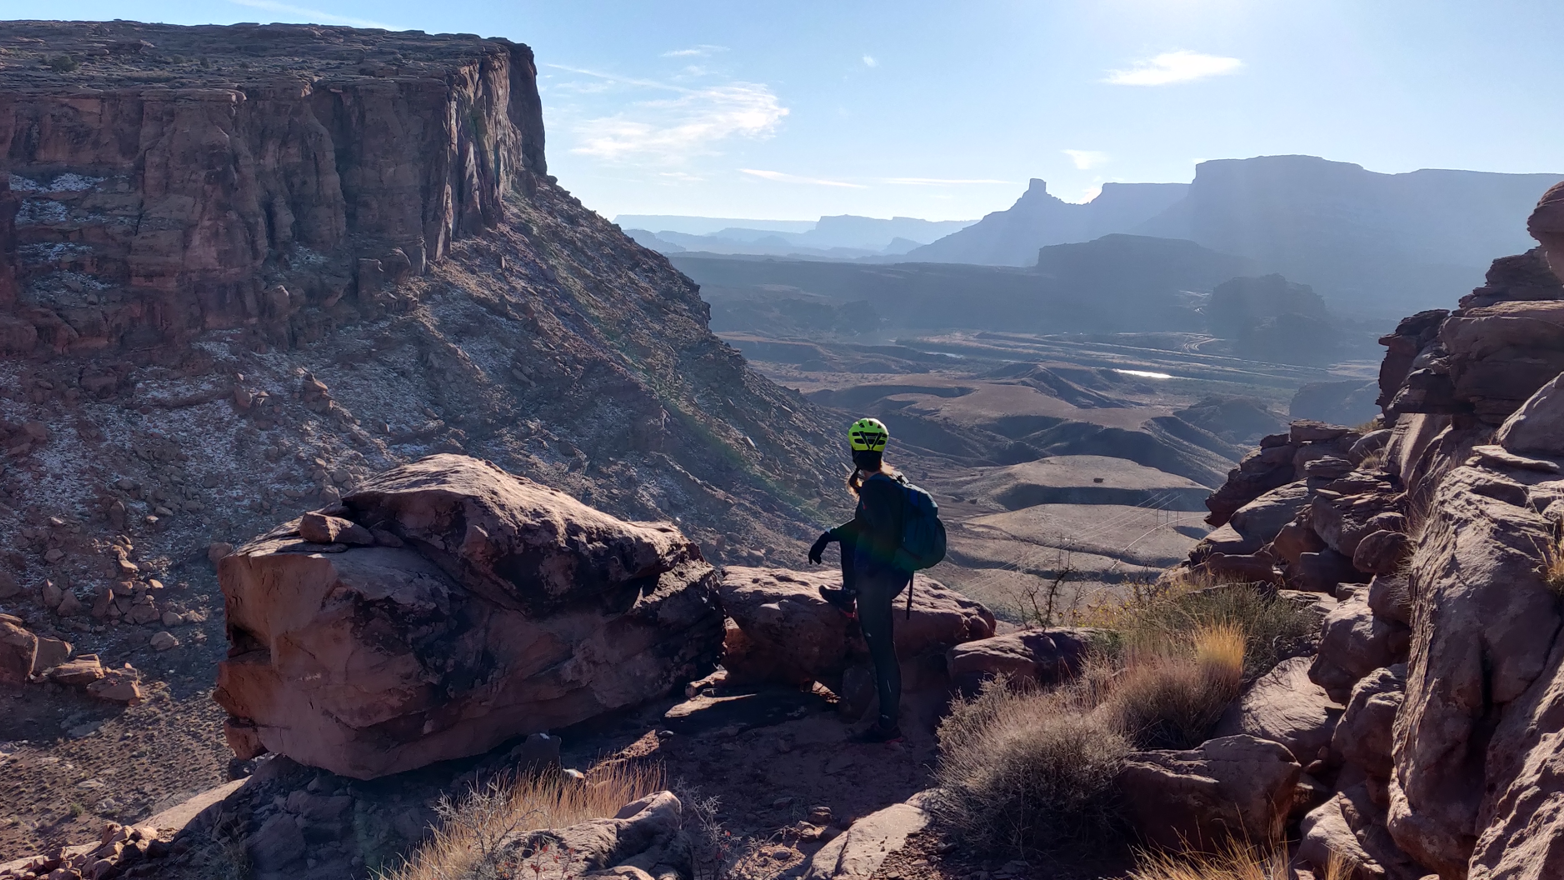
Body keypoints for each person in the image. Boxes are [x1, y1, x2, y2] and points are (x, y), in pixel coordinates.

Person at [807, 417, 911, 744]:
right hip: (891, 573)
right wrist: (828, 535)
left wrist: (871, 580)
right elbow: (862, 527)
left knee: (883, 654)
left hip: (879, 580)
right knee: (848, 540)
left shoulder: (875, 488)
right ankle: (847, 595)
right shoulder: (889, 479)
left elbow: (883, 533)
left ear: (854, 450)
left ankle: (888, 727)